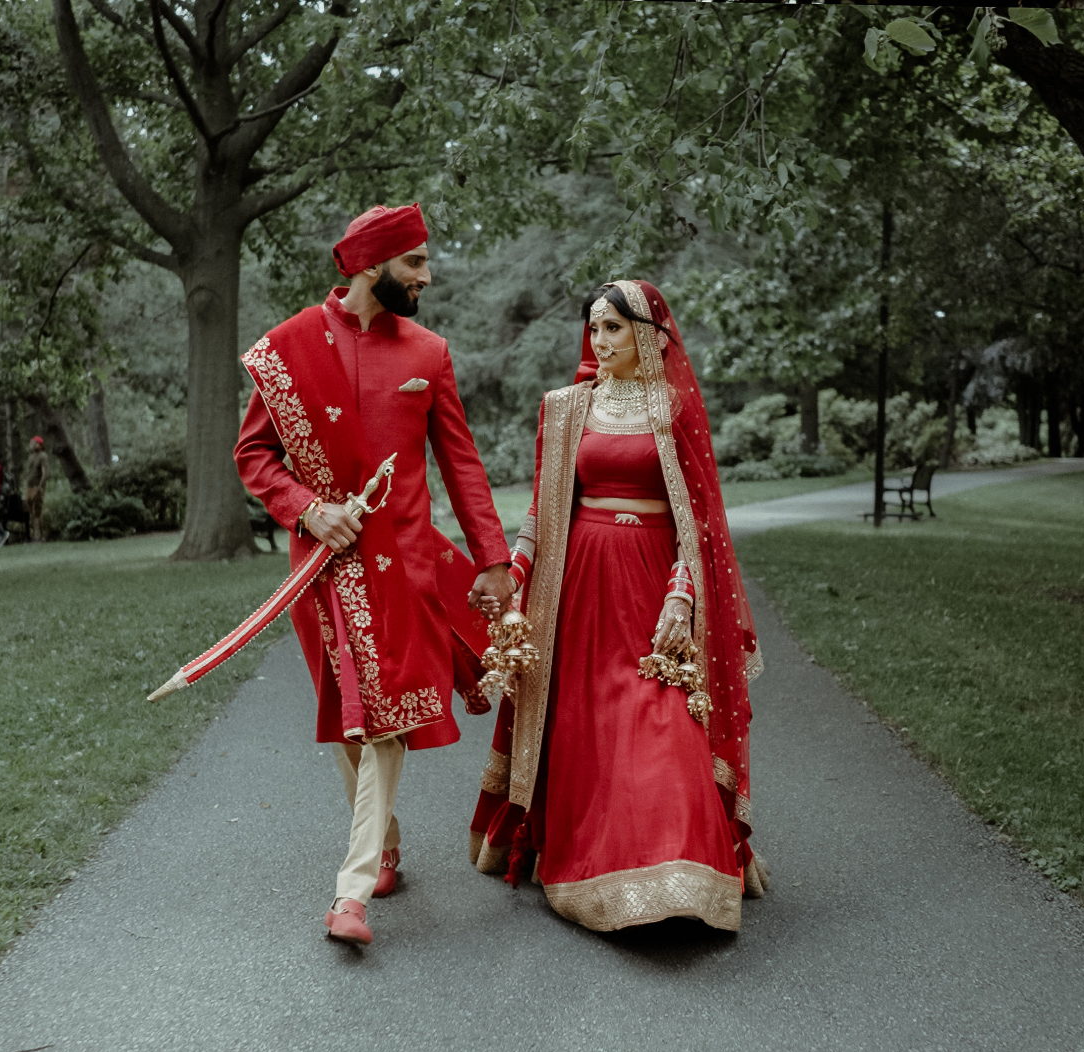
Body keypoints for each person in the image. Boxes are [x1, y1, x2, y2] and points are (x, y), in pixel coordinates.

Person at [235, 203, 516, 946]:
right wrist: (307, 509)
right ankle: (385, 834)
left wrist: (492, 561)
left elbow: (462, 465)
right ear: (370, 268)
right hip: (323, 570)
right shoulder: (288, 350)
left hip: (406, 570)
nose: (428, 275)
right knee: (348, 718)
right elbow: (255, 457)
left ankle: (350, 890)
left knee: (387, 718)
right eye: (414, 262)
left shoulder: (429, 352)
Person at [467, 280, 768, 933]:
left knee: (663, 725)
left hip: (653, 586)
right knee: (594, 731)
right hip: (581, 589)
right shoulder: (569, 408)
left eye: (614, 328)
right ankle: (605, 873)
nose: (600, 342)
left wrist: (682, 597)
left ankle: (684, 874)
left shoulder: (675, 408)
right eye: (595, 328)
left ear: (650, 336)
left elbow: (701, 524)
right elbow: (545, 512)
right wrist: (515, 571)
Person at [24, 436, 51, 543]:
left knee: (37, 512)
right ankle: (34, 535)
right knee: (31, 512)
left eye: (34, 443)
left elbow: (45, 473)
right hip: (29, 487)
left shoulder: (43, 456)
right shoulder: (31, 456)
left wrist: (40, 487)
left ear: (39, 445)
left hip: (37, 487)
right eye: (31, 443)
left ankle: (40, 537)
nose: (32, 445)